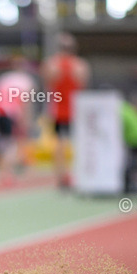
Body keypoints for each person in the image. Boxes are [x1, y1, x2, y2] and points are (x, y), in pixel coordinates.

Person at [41, 33, 89, 189]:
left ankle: (61, 176)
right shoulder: (80, 65)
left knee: (60, 144)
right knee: (76, 143)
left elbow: (48, 84)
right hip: (74, 110)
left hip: (60, 110)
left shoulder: (52, 64)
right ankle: (75, 175)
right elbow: (83, 85)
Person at [0, 57, 36, 185]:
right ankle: (6, 172)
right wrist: (26, 120)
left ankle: (5, 171)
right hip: (12, 113)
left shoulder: (4, 78)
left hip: (0, 112)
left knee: (5, 142)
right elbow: (26, 102)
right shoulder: (26, 81)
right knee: (14, 144)